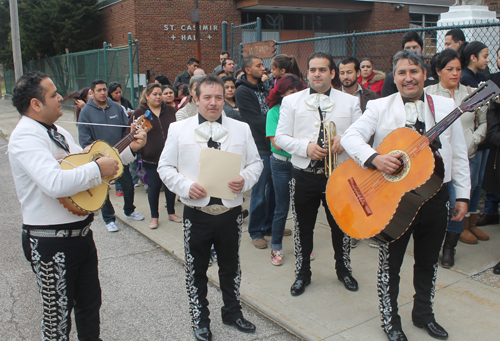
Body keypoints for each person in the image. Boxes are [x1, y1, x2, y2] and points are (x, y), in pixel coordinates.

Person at [342, 50, 470, 341]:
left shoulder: (445, 104)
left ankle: (423, 313)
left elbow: (459, 153)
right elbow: (350, 137)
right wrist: (374, 158)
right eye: (401, 72)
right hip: (394, 200)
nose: (408, 78)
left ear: (426, 74)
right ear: (394, 77)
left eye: (414, 71)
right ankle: (390, 319)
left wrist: (462, 195)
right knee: (391, 263)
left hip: (436, 195)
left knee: (427, 261)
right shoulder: (379, 107)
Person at [9, 71, 146, 341]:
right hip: (50, 242)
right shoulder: (25, 137)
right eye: (53, 94)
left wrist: (129, 150)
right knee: (57, 317)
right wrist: (97, 166)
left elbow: (90, 172)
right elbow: (55, 183)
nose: (61, 98)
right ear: (36, 104)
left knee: (89, 306)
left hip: (81, 235)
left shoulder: (57, 132)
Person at [158, 75, 263, 341]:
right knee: (197, 268)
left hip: (230, 211)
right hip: (197, 212)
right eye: (207, 97)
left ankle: (232, 311)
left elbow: (256, 164)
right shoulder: (178, 129)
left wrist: (245, 180)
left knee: (231, 266)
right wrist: (184, 186)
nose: (213, 103)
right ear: (196, 99)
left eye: (218, 97)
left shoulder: (241, 128)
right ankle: (200, 319)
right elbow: (165, 167)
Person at [275, 52, 362, 296]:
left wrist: (345, 140)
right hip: (304, 174)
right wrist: (305, 147)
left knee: (341, 226)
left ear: (332, 73)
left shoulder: (351, 102)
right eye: (312, 70)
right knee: (303, 226)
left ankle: (343, 269)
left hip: (339, 176)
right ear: (307, 73)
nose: (316, 74)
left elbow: (362, 134)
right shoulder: (291, 102)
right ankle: (303, 273)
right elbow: (280, 137)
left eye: (322, 70)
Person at [426, 49, 488, 267]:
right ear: (438, 71)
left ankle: (449, 247)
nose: (455, 73)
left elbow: (483, 121)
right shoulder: (429, 94)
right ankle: (430, 244)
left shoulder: (472, 92)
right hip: (435, 163)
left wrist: (473, 140)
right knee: (433, 205)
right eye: (449, 69)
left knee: (458, 202)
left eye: (458, 69)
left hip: (465, 159)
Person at [78, 79, 145, 232]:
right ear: (92, 92)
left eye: (104, 89)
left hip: (119, 155)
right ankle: (109, 219)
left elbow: (125, 130)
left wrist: (124, 146)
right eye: (98, 90)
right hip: (99, 159)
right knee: (103, 190)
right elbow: (84, 138)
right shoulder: (85, 112)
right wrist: (96, 155)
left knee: (128, 185)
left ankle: (129, 210)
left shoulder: (116, 108)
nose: (102, 92)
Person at [235, 55, 275, 249]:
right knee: (259, 192)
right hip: (260, 146)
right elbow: (255, 120)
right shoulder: (242, 91)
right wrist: (278, 129)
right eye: (259, 65)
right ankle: (256, 231)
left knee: (274, 191)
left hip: (275, 145)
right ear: (248, 70)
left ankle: (269, 226)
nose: (263, 68)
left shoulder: (265, 86)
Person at [265, 74, 306, 266]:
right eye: (290, 92)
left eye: (298, 92)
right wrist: (302, 144)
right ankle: (276, 247)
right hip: (281, 164)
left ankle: (304, 246)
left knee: (302, 208)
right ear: (281, 93)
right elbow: (277, 145)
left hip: (302, 163)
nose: (295, 96)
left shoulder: (306, 111)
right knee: (282, 207)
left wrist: (293, 141)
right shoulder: (274, 111)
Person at [132, 83, 181, 228]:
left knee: (170, 186)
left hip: (170, 157)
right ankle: (154, 217)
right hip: (151, 158)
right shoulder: (139, 113)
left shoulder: (170, 110)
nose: (158, 96)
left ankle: (171, 213)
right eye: (154, 94)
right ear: (146, 96)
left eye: (160, 93)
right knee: (154, 187)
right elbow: (132, 136)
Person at [381, 31, 438, 97]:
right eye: (408, 48)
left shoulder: (432, 72)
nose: (412, 50)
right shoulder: (391, 78)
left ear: (423, 49)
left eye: (415, 47)